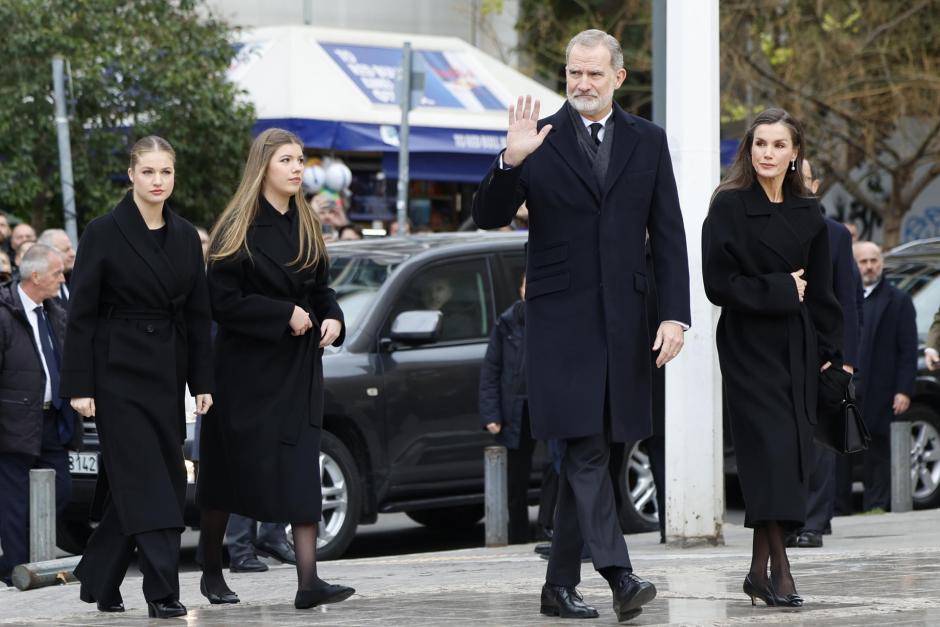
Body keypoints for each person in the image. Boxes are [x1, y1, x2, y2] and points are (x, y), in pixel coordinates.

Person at [473, 29, 690, 623]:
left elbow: (668, 233)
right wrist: (510, 161)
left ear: (618, 77)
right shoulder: (537, 137)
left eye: (594, 73)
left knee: (601, 453)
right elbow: (487, 216)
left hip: (626, 323)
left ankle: (557, 587)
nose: (582, 83)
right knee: (584, 448)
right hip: (559, 326)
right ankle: (620, 575)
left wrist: (674, 315)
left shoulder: (648, 141)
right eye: (574, 72)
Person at [198, 127, 354, 610]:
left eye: (300, 159)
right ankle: (210, 568)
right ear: (263, 166)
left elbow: (321, 289)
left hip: (298, 368)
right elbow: (221, 300)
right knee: (229, 476)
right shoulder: (237, 226)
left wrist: (333, 318)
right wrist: (281, 313)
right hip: (245, 372)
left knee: (301, 469)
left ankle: (308, 582)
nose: (297, 168)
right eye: (286, 159)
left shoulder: (307, 221)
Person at [60, 136, 214, 619]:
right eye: (148, 171)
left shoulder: (185, 236)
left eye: (165, 172)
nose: (157, 181)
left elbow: (198, 314)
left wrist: (202, 382)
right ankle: (162, 591)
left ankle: (100, 577)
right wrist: (80, 386)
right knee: (152, 481)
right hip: (117, 374)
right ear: (131, 175)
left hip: (167, 372)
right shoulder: (103, 232)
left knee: (157, 478)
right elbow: (81, 314)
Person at [702, 108, 844, 608]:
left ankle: (757, 572)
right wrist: (781, 287)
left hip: (798, 346)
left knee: (790, 456)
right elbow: (718, 285)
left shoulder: (810, 212)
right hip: (748, 345)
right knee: (769, 452)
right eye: (760, 143)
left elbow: (823, 292)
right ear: (749, 149)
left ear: (794, 152)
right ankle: (780, 571)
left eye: (779, 145)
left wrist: (834, 355)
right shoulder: (728, 204)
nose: (768, 153)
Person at [789, 160, 863, 549]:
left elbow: (847, 300)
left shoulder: (836, 234)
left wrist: (846, 360)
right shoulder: (773, 225)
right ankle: (791, 519)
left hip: (826, 356)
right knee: (788, 441)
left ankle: (814, 524)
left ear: (816, 184)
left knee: (820, 442)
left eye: (802, 178)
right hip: (783, 350)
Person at [0, 245, 82, 586]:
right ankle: (16, 571)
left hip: (53, 421)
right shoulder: (5, 313)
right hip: (14, 422)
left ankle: (27, 559)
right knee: (15, 502)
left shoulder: (55, 312)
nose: (62, 279)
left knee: (61, 490)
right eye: (57, 273)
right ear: (35, 276)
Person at [851, 241, 918, 512]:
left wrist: (904, 390)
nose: (869, 266)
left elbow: (908, 350)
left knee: (878, 450)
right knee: (843, 453)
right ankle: (839, 508)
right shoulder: (847, 298)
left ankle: (876, 505)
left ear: (881, 263)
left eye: (874, 260)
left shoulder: (898, 300)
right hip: (851, 388)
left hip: (882, 390)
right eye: (863, 261)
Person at [479, 273, 537, 544]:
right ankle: (519, 534)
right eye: (527, 285)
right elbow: (491, 370)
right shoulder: (506, 322)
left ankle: (550, 527)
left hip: (545, 405)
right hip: (515, 408)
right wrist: (491, 414)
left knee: (557, 467)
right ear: (520, 289)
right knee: (516, 478)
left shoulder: (551, 317)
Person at [37, 229, 76, 302]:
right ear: (49, 253)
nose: (73, 254)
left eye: (71, 248)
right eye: (66, 250)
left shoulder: (75, 279)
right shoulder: (38, 287)